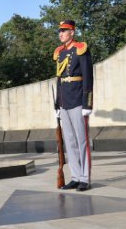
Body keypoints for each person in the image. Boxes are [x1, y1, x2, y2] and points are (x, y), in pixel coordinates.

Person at [53, 20, 93, 191]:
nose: (60, 33)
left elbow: (88, 78)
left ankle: (85, 178)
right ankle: (75, 177)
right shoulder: (60, 52)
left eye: (64, 30)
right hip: (64, 102)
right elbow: (59, 80)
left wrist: (87, 103)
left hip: (77, 100)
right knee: (69, 141)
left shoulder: (80, 49)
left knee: (82, 140)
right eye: (60, 31)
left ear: (72, 32)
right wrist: (57, 105)